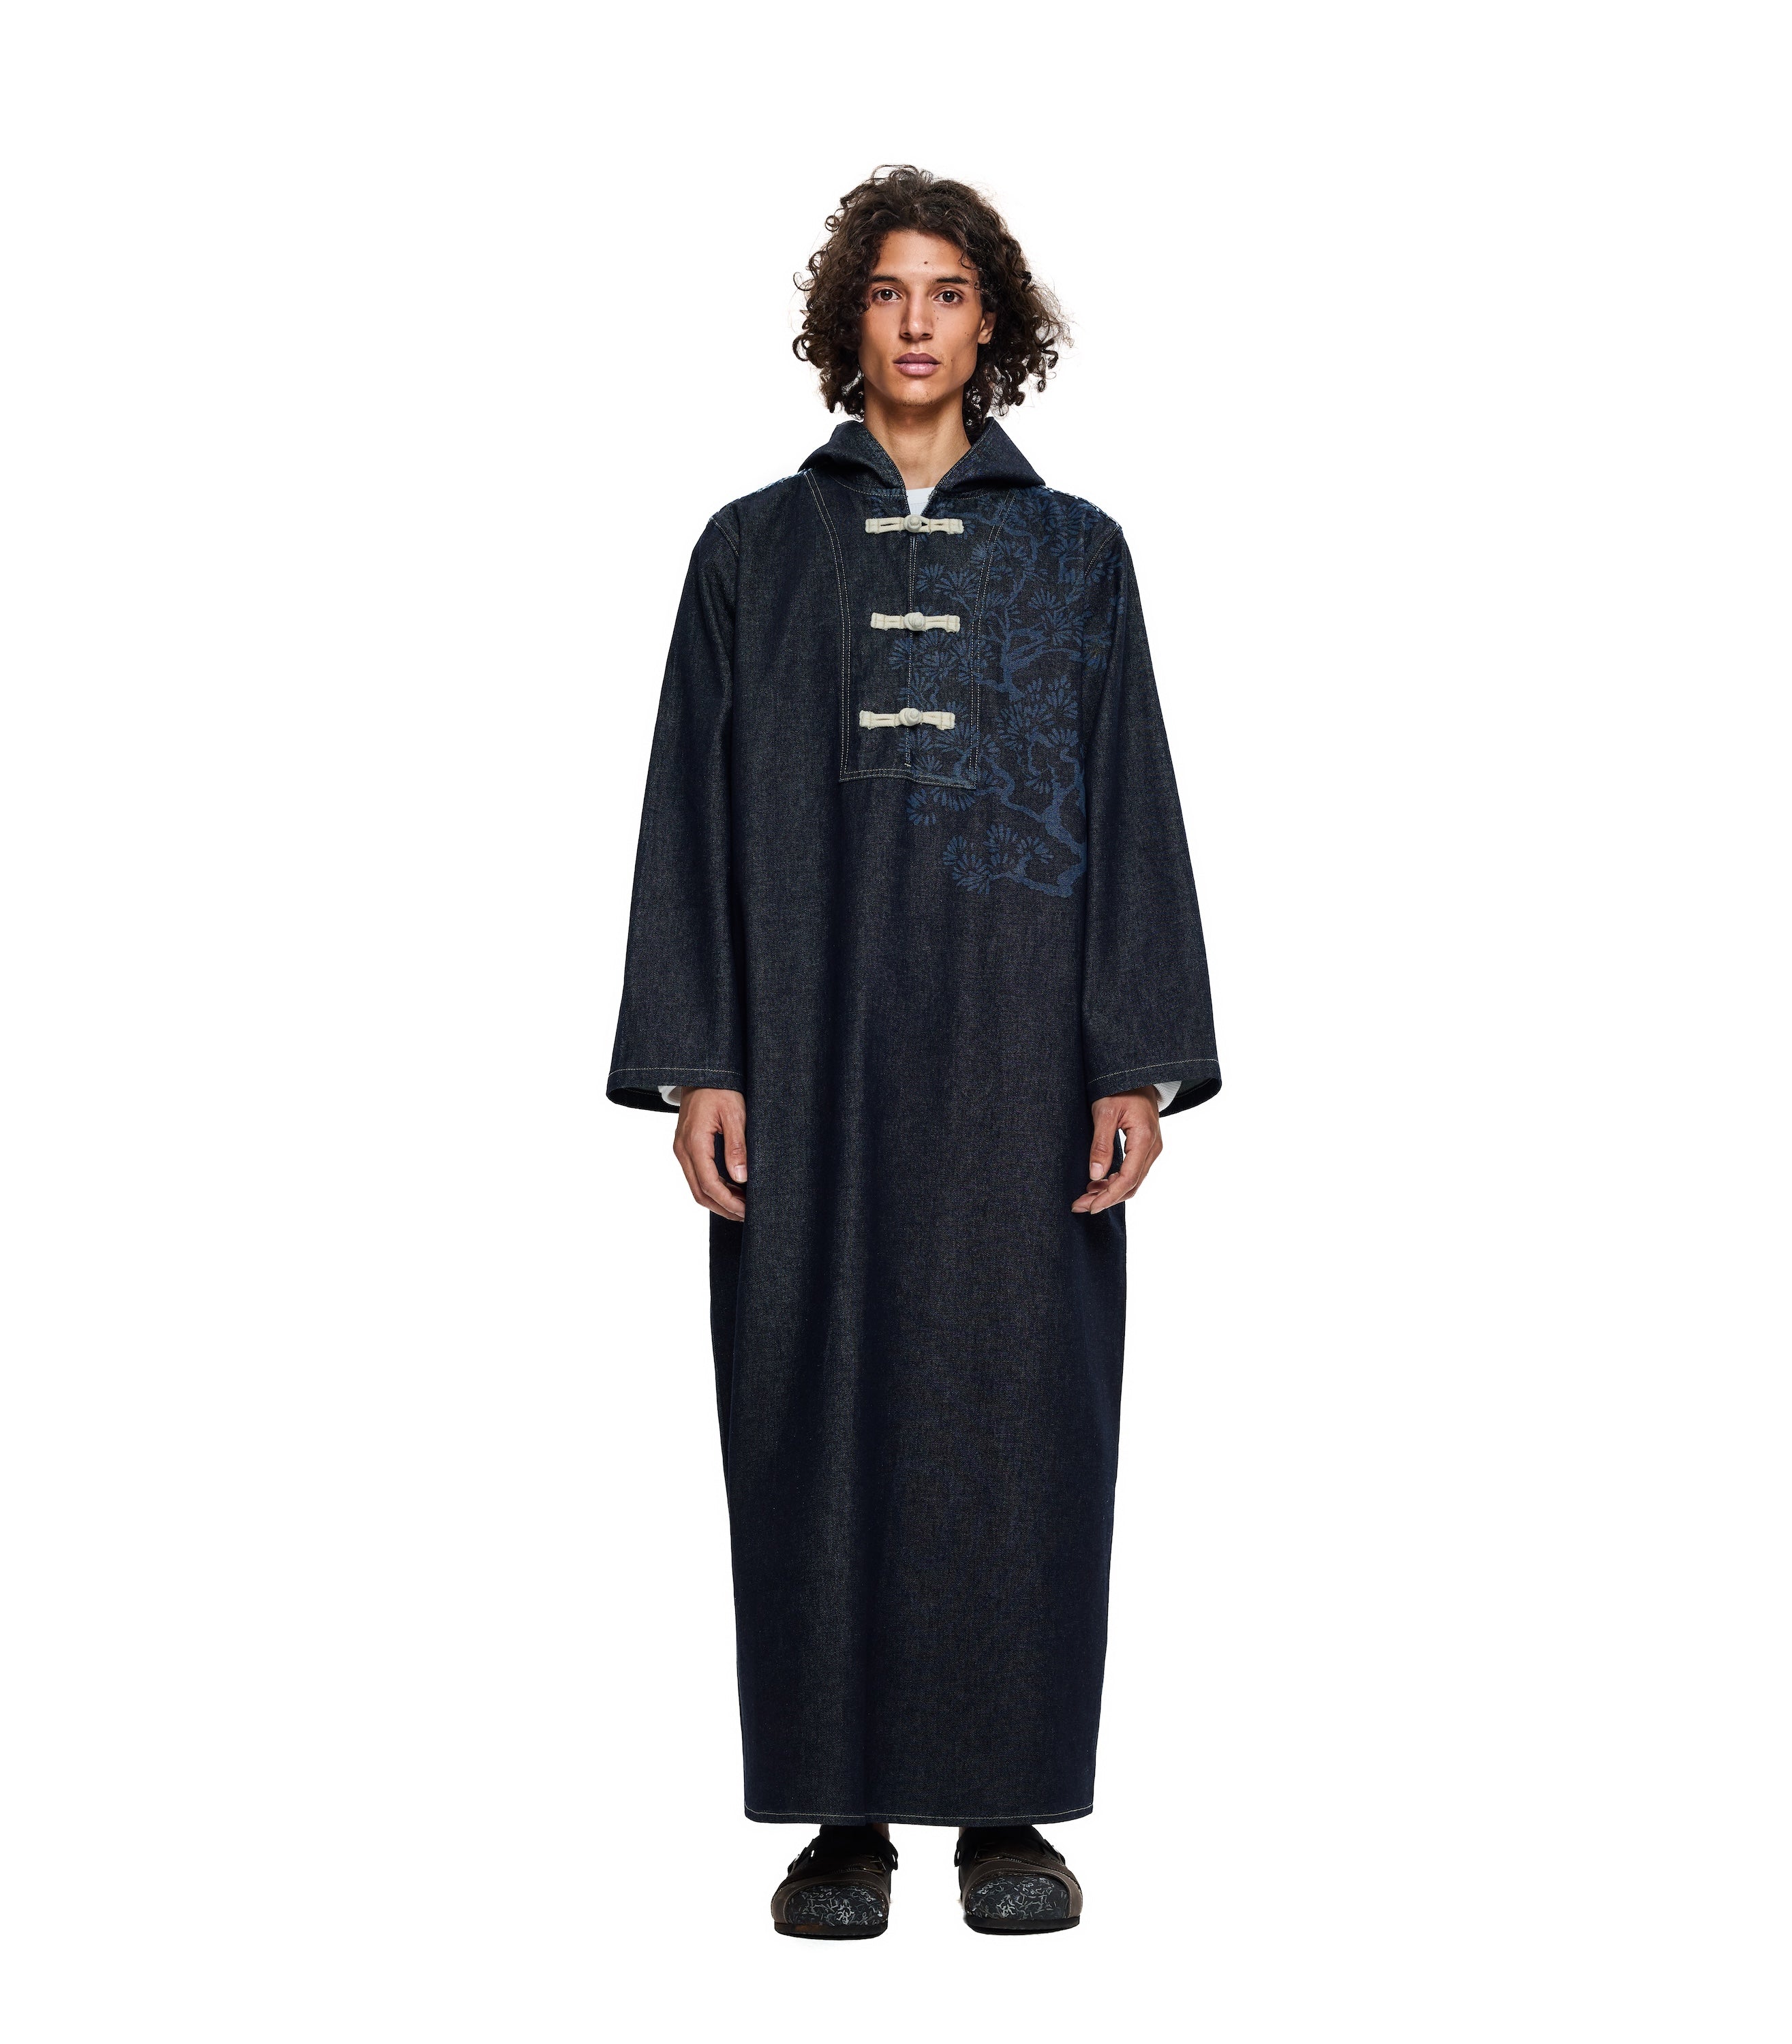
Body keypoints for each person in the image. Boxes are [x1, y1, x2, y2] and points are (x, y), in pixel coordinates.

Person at [606, 165, 1221, 1938]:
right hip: (806, 1043)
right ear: (847, 319)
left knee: (1023, 1411)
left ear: (992, 321)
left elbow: (1133, 798)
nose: (918, 321)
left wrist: (1133, 1058)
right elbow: (684, 809)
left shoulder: (1076, 552)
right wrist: (702, 1057)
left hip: (1022, 1051)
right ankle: (843, 1819)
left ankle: (1009, 1812)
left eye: (949, 291)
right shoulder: (753, 552)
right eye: (888, 291)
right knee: (811, 1403)